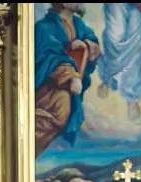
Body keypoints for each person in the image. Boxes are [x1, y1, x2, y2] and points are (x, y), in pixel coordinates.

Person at [35, 3, 101, 156]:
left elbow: (95, 46)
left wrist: (85, 45)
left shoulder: (79, 25)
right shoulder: (44, 28)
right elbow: (47, 57)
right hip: (49, 90)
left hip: (69, 88)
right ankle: (24, 163)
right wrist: (70, 77)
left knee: (61, 117)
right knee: (49, 120)